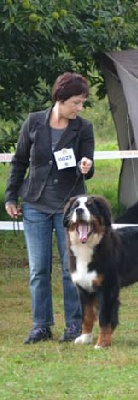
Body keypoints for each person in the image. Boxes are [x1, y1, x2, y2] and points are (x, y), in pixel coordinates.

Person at [4, 72, 95, 343]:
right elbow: (19, 162)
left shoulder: (84, 128)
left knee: (71, 269)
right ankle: (41, 326)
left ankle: (74, 325)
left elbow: (88, 162)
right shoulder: (33, 122)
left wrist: (87, 166)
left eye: (82, 103)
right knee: (38, 270)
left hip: (69, 208)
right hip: (35, 205)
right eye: (76, 102)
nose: (79, 108)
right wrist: (10, 197)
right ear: (61, 98)